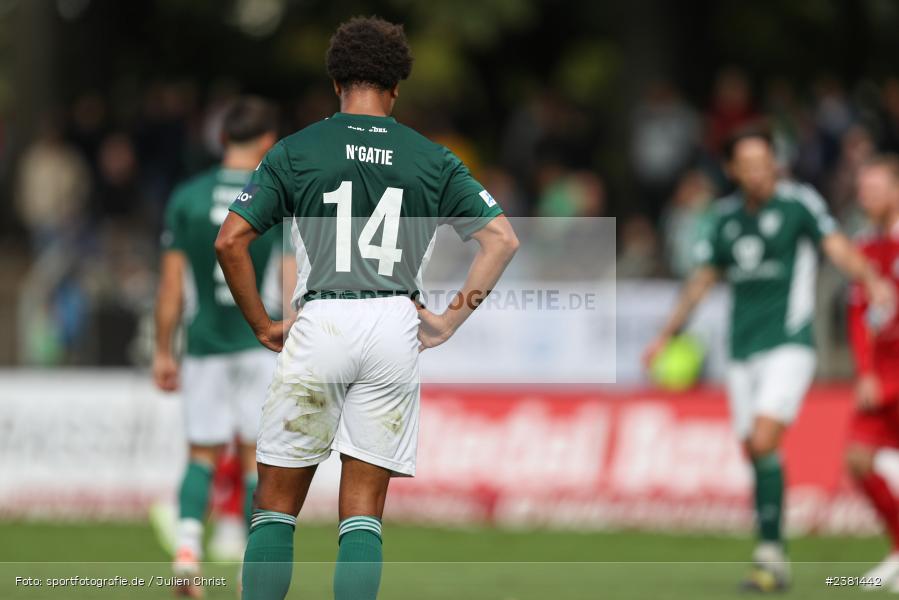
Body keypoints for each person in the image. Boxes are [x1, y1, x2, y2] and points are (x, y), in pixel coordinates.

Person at [214, 17, 519, 600]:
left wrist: (261, 324)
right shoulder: (433, 158)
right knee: (363, 511)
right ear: (397, 86)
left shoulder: (296, 150)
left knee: (276, 506)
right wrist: (451, 318)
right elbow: (501, 238)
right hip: (393, 326)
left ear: (335, 82)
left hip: (322, 317)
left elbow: (230, 240)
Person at [643, 126, 894, 592]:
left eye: (767, 162)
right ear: (732, 169)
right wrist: (665, 335)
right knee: (756, 452)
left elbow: (837, 245)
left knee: (762, 440)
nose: (761, 173)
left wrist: (871, 279)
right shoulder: (724, 219)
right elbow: (701, 280)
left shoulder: (798, 203)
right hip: (742, 350)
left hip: (789, 344)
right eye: (751, 165)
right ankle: (771, 554)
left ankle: (771, 552)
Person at [154, 96, 293, 598]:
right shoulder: (276, 195)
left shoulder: (188, 197)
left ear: (220, 140)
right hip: (261, 343)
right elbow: (289, 277)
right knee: (262, 461)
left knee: (201, 456)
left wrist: (162, 350)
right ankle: (248, 571)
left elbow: (171, 287)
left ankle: (188, 554)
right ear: (266, 143)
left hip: (205, 345)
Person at [845, 155, 899, 589]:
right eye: (864, 190)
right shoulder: (865, 249)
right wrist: (865, 370)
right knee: (859, 459)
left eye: (876, 189)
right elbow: (859, 314)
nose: (867, 197)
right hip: (882, 375)